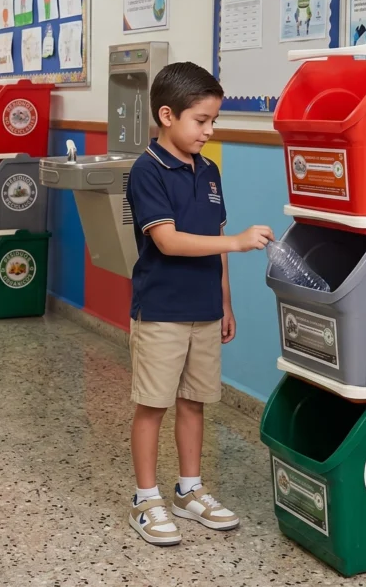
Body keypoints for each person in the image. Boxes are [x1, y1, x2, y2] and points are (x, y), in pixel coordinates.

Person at [124, 62, 275, 546]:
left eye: (213, 120)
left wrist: (225, 301)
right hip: (162, 310)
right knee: (153, 405)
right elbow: (167, 241)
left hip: (205, 308)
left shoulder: (208, 170)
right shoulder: (147, 171)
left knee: (195, 402)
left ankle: (189, 490)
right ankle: (146, 498)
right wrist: (236, 242)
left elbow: (210, 234)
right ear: (167, 115)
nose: (209, 131)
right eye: (201, 121)